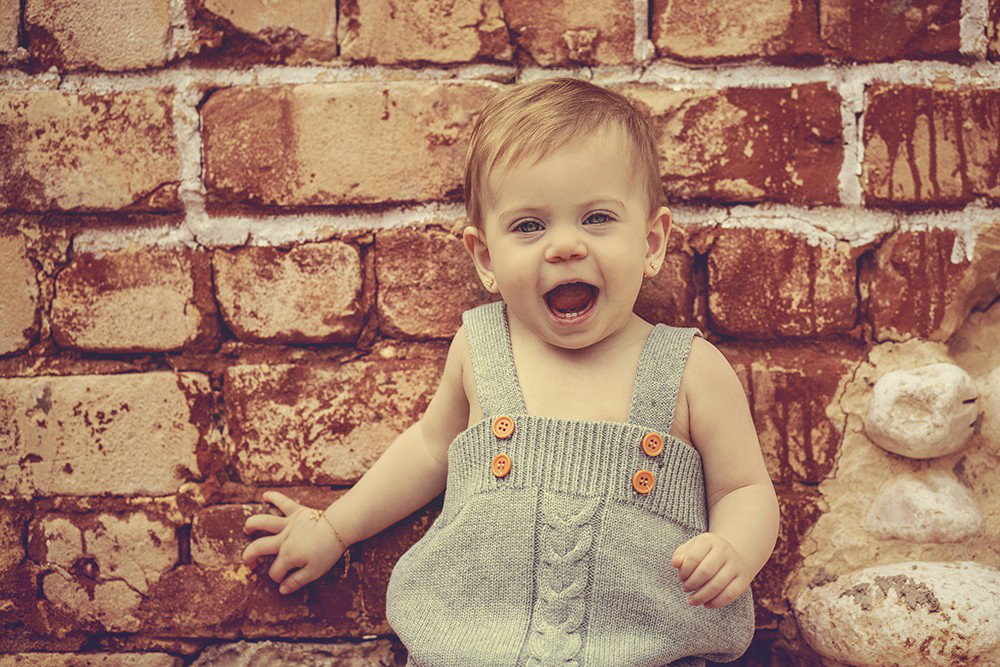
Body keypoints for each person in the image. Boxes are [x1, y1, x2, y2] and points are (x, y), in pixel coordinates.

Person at [241, 76, 780, 666]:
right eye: (530, 226)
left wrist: (734, 547)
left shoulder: (690, 368)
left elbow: (745, 488)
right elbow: (428, 449)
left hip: (644, 651)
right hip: (476, 647)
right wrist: (334, 529)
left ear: (652, 241)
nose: (565, 247)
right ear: (485, 257)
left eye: (597, 218)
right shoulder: (481, 347)